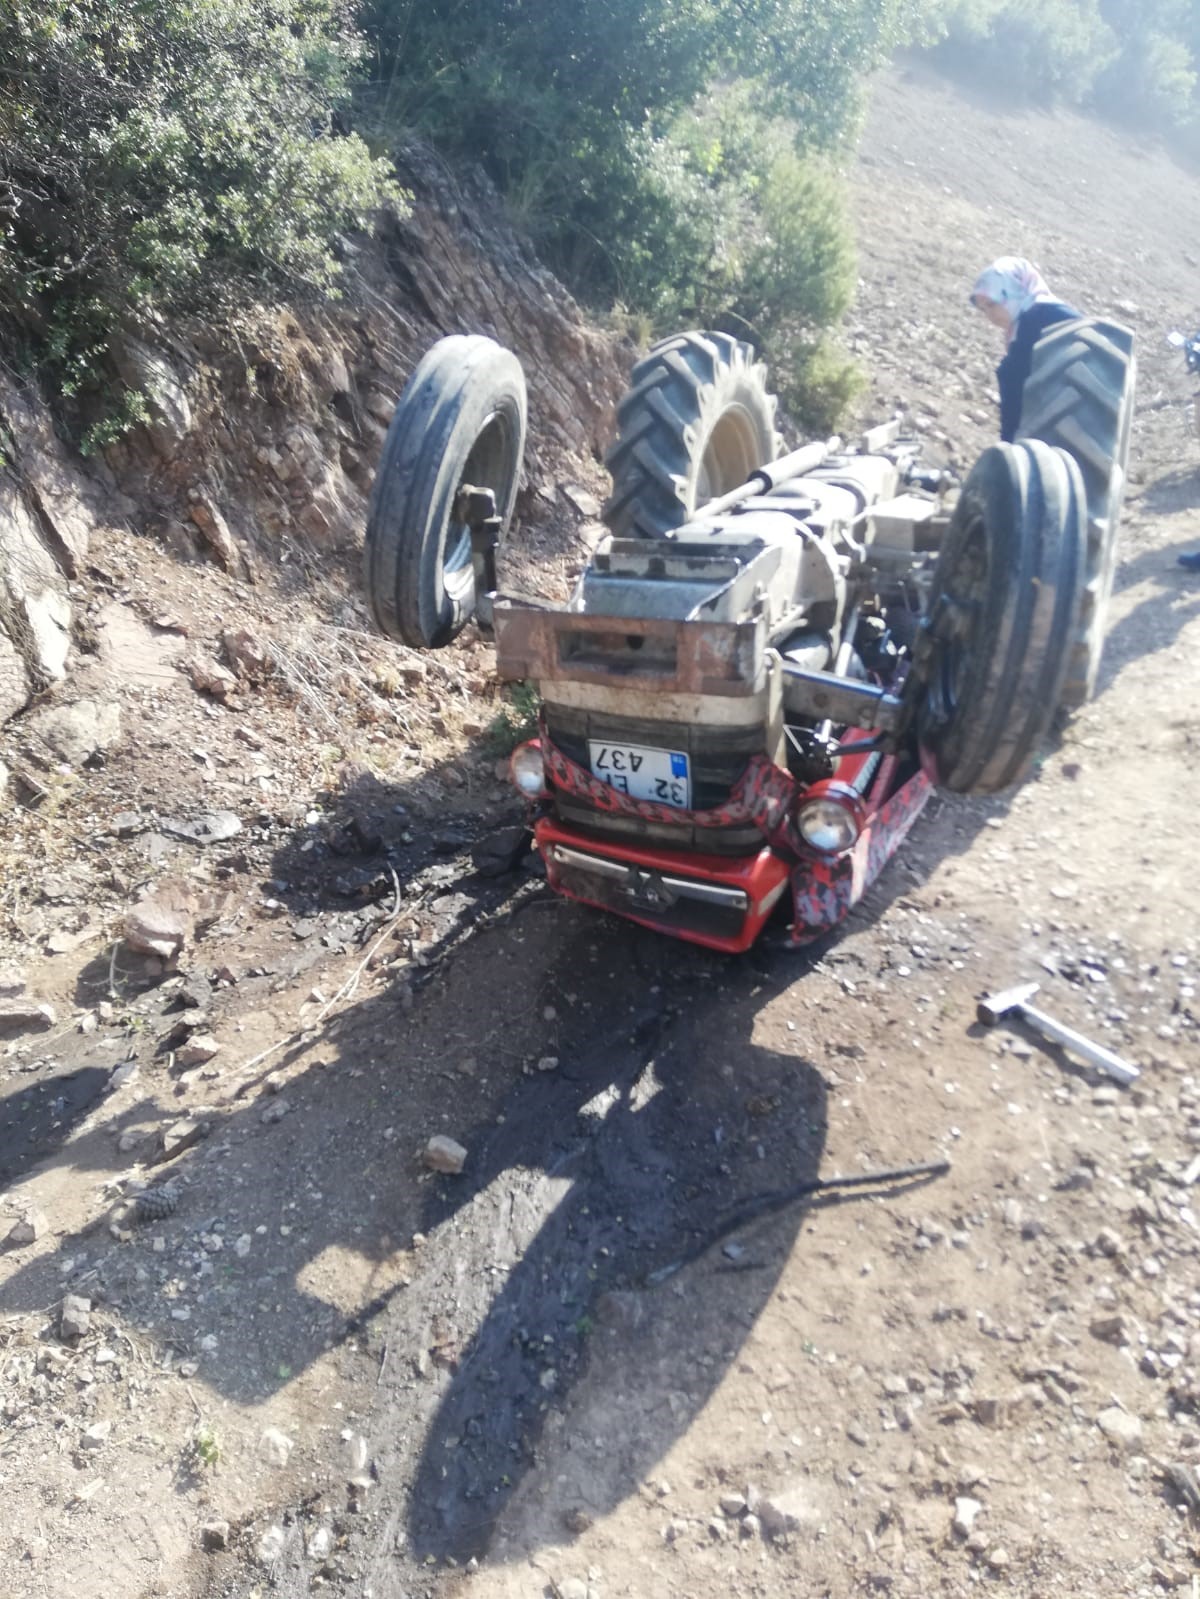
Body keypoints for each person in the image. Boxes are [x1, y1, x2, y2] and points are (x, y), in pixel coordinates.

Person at [970, 257, 1081, 442]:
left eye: (992, 304)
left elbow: (1016, 387)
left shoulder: (1035, 318)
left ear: (1014, 289)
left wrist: (1010, 449)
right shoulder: (1048, 316)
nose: (989, 315)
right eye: (983, 310)